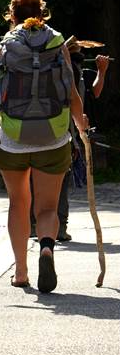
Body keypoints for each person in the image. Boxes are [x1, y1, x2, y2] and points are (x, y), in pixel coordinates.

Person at [0, 0, 87, 293]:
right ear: (42, 14)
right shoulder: (59, 49)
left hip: (13, 139)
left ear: (12, 16)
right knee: (47, 207)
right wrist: (81, 128)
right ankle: (46, 246)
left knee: (19, 203)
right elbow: (71, 95)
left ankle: (21, 272)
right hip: (53, 137)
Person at [37, 42, 110, 241]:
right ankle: (56, 227)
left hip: (38, 133)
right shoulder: (66, 75)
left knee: (39, 180)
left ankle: (37, 226)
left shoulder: (52, 72)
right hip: (63, 134)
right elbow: (77, 102)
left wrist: (101, 72)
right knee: (58, 183)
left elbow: (93, 92)